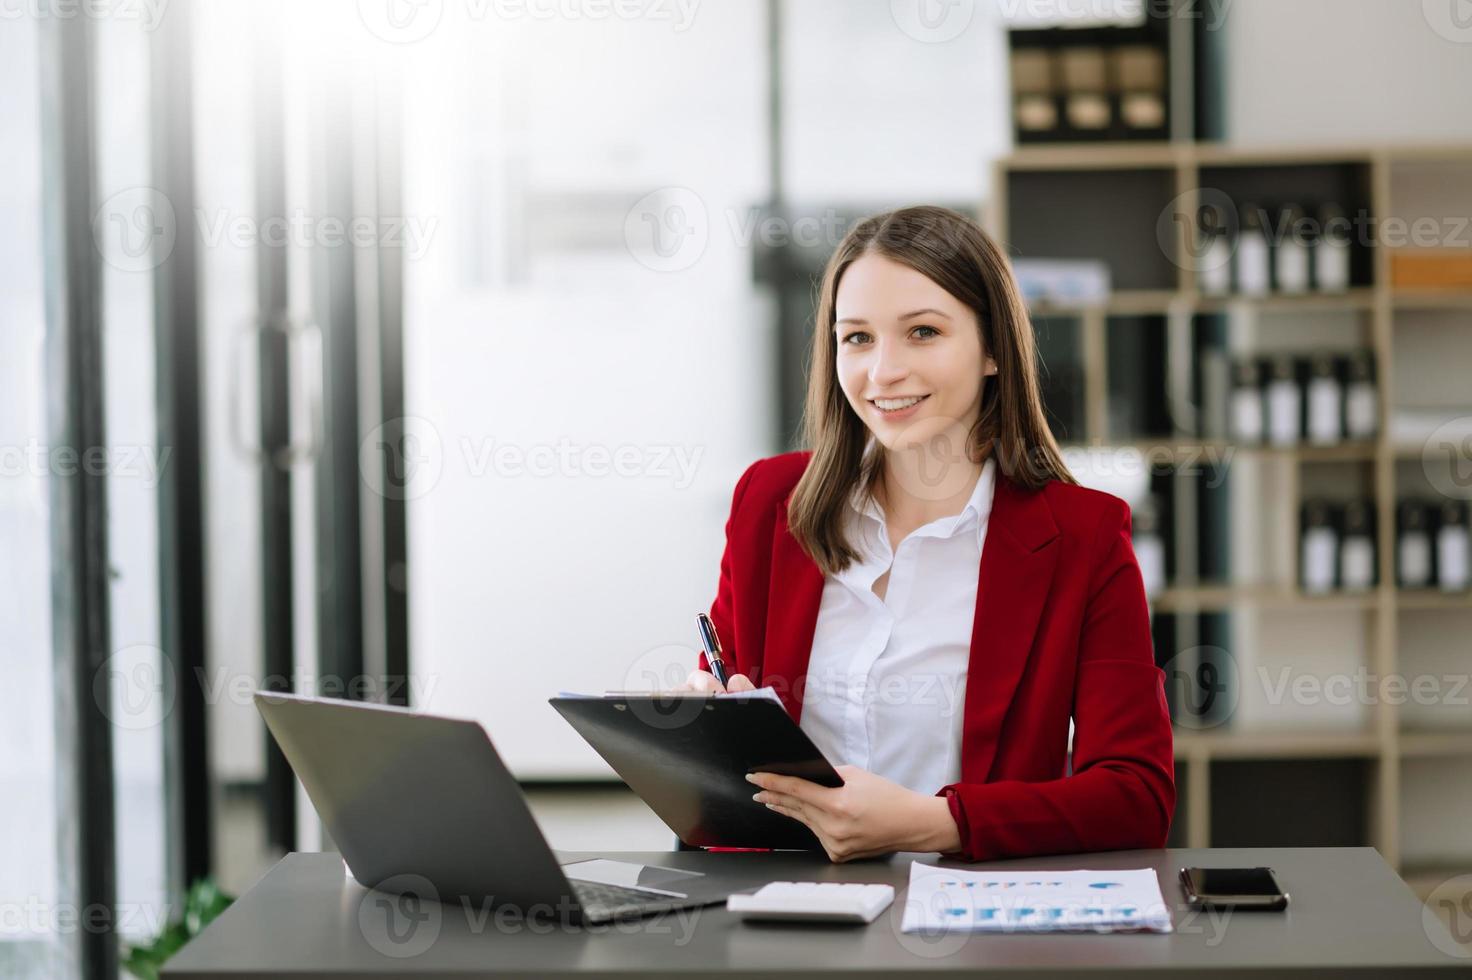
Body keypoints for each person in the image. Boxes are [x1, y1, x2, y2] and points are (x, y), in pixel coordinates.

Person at [681, 205, 1175, 863]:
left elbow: (1136, 795)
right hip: (787, 920)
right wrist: (708, 728)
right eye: (857, 338)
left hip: (974, 930)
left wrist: (935, 823)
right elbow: (720, 765)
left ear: (994, 348)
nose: (882, 372)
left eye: (922, 331)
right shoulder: (771, 504)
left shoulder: (1083, 539)